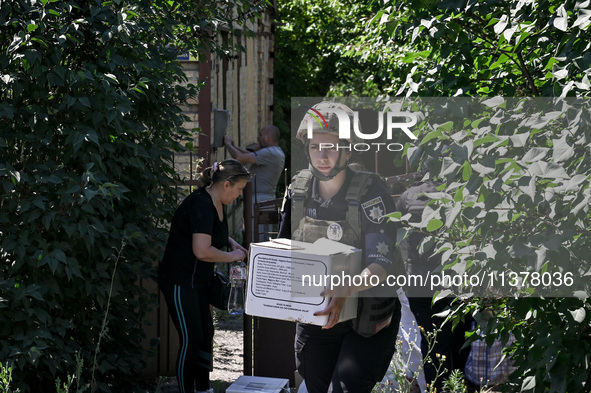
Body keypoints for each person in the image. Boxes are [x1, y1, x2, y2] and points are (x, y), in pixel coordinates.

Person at [277, 101, 404, 393]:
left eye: (331, 147)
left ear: (347, 150)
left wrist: (346, 288)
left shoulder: (373, 194)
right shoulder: (298, 192)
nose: (322, 156)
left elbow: (380, 262)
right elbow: (284, 251)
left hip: (367, 316)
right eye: (315, 147)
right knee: (316, 385)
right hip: (319, 316)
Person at [158, 159, 250, 393]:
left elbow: (214, 234)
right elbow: (202, 250)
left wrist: (232, 244)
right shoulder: (200, 204)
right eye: (239, 189)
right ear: (227, 184)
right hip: (180, 280)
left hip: (198, 281)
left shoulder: (217, 200)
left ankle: (202, 388)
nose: (240, 195)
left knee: (205, 333)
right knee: (191, 338)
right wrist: (233, 257)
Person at [394, 154, 471, 391]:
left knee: (430, 340)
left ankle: (436, 387)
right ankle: (458, 385)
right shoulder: (461, 195)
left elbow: (395, 232)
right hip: (455, 278)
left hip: (418, 280)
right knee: (460, 335)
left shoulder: (408, 196)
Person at [223, 124, 285, 203]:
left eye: (260, 135)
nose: (258, 137)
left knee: (252, 215)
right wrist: (233, 146)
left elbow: (240, 158)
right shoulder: (275, 152)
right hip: (262, 198)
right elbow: (247, 155)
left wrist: (227, 143)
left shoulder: (270, 153)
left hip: (259, 200)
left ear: (268, 138)